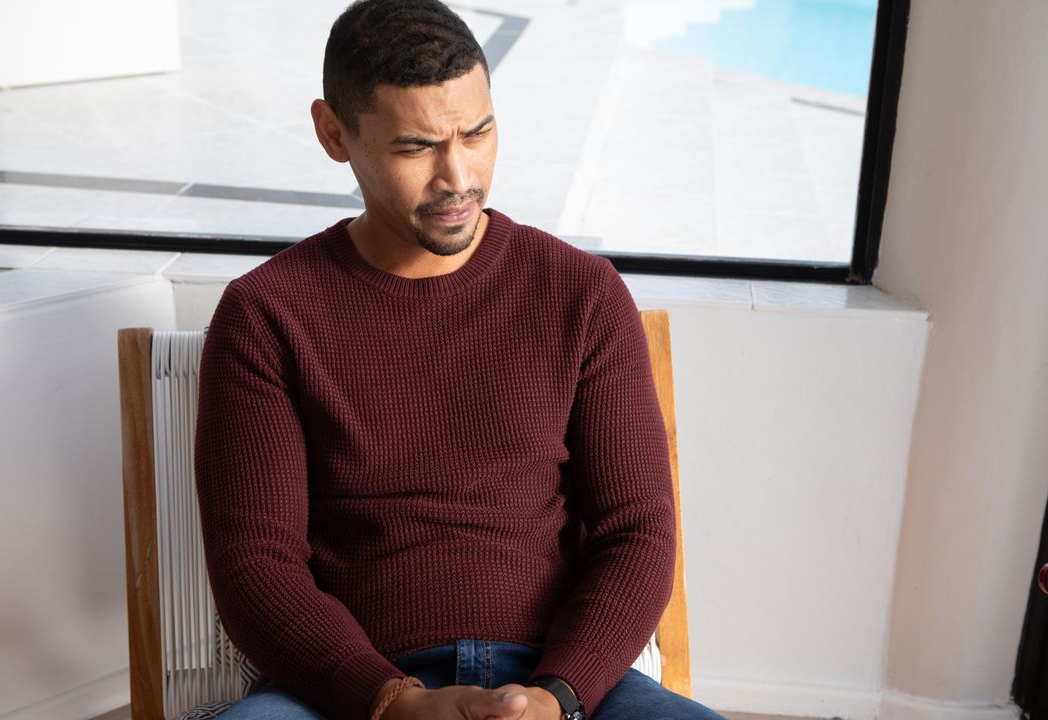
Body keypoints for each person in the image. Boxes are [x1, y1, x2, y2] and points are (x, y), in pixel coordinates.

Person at [194, 1, 727, 718]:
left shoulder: (582, 294)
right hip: (347, 695)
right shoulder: (266, 314)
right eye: (416, 147)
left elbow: (637, 530)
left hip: (559, 684)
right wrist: (392, 702)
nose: (458, 176)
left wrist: (556, 698)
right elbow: (255, 568)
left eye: (477, 132)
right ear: (333, 133)